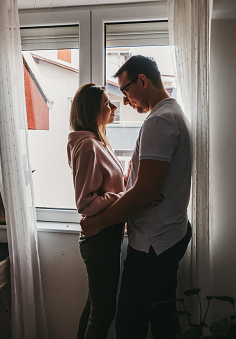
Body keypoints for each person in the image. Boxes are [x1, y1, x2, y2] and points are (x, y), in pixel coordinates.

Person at [80, 55, 192, 339]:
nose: (126, 101)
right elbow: (146, 188)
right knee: (163, 316)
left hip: (152, 244)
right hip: (170, 233)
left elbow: (146, 192)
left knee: (130, 324)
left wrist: (99, 223)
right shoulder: (173, 114)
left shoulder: (160, 121)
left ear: (143, 80)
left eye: (126, 90)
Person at [67, 84, 126, 339]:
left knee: (95, 307)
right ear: (92, 110)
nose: (113, 107)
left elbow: (106, 186)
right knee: (103, 313)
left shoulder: (99, 144)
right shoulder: (89, 146)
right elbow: (86, 203)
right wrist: (124, 197)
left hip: (106, 235)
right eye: (106, 103)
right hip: (99, 239)